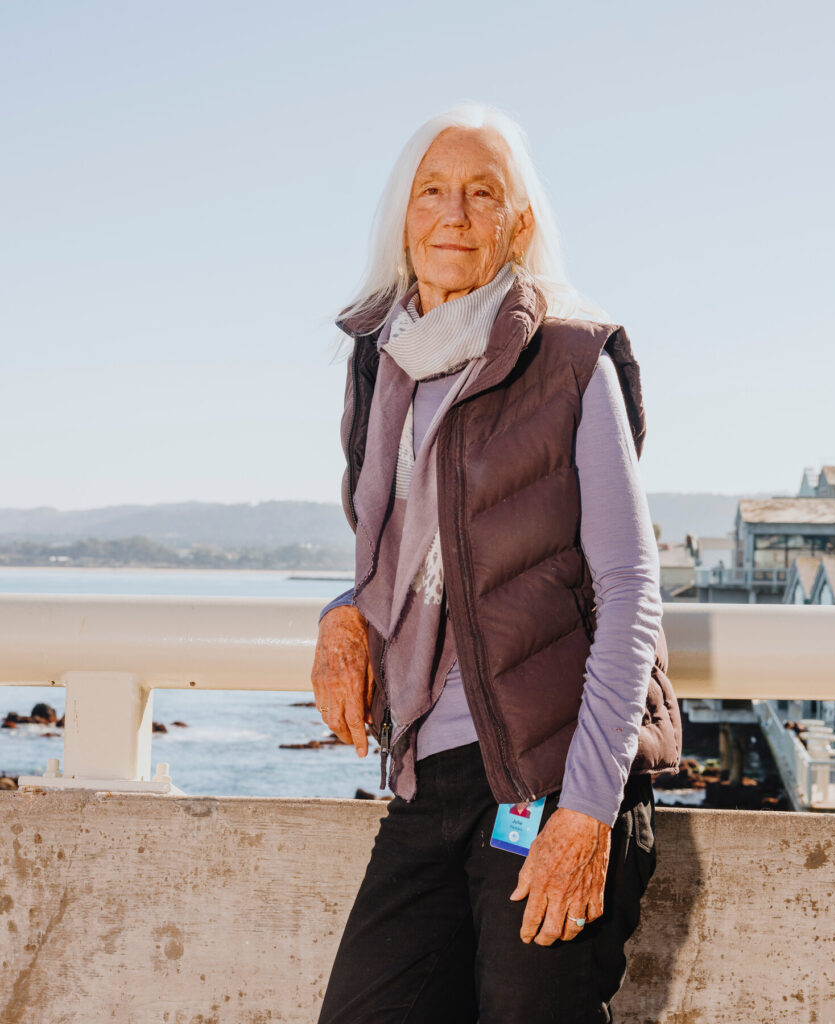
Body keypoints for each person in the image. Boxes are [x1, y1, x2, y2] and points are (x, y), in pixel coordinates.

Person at [310, 104, 682, 1024]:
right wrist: (342, 612)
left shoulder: (569, 358)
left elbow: (630, 589)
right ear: (403, 217)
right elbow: (407, 554)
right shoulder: (380, 362)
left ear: (519, 222)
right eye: (432, 191)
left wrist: (588, 812)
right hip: (429, 780)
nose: (455, 214)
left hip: (553, 774)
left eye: (484, 194)